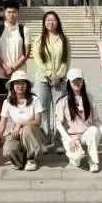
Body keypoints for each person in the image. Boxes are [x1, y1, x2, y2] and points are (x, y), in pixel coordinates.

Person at [0, 70, 46, 171]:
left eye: (23, 82)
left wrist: (20, 124)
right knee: (7, 150)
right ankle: (21, 159)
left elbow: (38, 121)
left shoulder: (35, 99)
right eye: (17, 83)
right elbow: (1, 126)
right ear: (12, 85)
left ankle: (31, 158)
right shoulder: (7, 102)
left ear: (27, 85)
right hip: (16, 133)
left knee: (27, 128)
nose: (20, 86)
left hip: (32, 133)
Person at [55, 68, 102, 172]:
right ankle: (75, 157)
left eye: (79, 80)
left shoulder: (89, 97)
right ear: (69, 82)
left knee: (94, 130)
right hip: (71, 138)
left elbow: (96, 119)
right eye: (74, 80)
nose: (77, 83)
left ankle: (93, 161)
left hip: (85, 135)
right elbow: (58, 123)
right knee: (77, 160)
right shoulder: (63, 101)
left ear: (83, 81)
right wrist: (69, 140)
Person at [32, 10, 70, 154]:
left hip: (60, 80)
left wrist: (59, 75)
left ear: (58, 22)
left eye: (53, 20)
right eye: (48, 20)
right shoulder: (38, 39)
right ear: (44, 23)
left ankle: (59, 140)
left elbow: (66, 60)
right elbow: (37, 60)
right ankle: (45, 140)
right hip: (42, 80)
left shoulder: (64, 39)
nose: (50, 22)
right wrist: (49, 74)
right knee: (42, 109)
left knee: (59, 110)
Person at [0, 0, 31, 133]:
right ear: (4, 13)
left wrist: (13, 68)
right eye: (9, 12)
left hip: (19, 73)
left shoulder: (24, 30)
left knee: (20, 103)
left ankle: (19, 134)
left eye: (14, 12)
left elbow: (26, 53)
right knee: (0, 103)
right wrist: (5, 67)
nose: (11, 14)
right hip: (0, 73)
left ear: (18, 13)